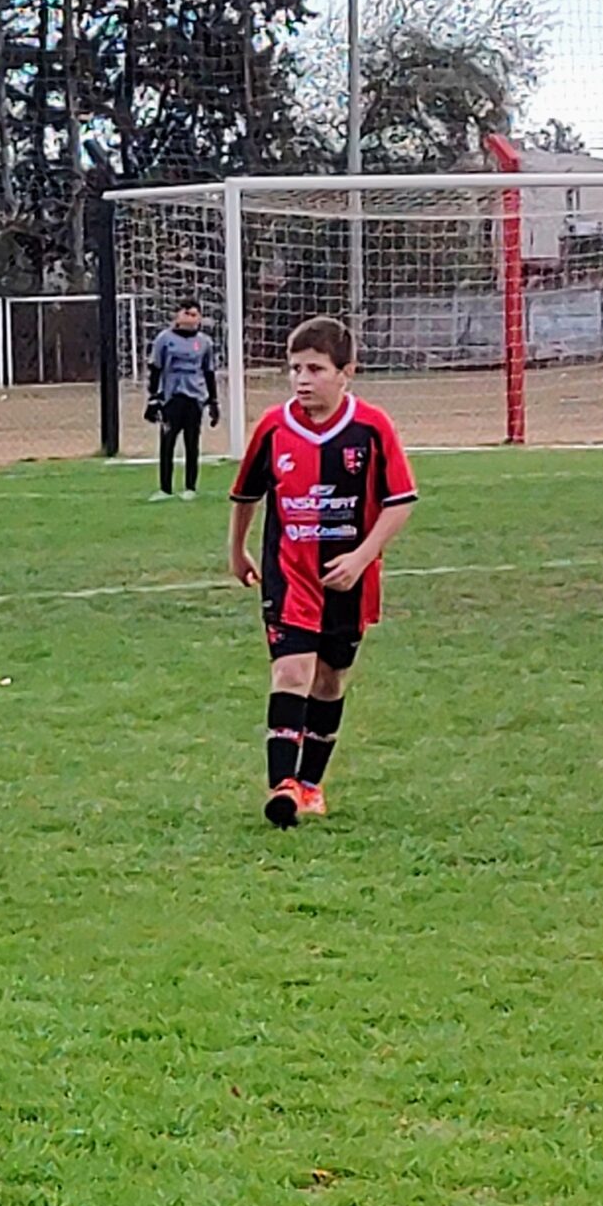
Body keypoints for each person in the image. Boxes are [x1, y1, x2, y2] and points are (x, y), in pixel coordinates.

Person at [228, 315, 418, 829]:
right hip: (289, 575)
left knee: (330, 680)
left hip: (348, 582)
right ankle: (282, 787)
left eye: (315, 369)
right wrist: (237, 550)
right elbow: (246, 494)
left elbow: (400, 501)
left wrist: (361, 557)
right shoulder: (273, 427)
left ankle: (310, 784)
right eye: (295, 369)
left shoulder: (371, 427)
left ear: (345, 372)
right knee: (292, 671)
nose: (302, 379)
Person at [145, 300, 220, 501]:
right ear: (177, 316)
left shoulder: (204, 342)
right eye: (186, 313)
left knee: (192, 442)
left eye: (195, 314)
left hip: (195, 398)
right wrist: (153, 398)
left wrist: (213, 401)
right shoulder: (164, 339)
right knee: (167, 441)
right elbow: (155, 368)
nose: (190, 318)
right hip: (171, 397)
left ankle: (190, 487)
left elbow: (209, 372)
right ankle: (165, 488)